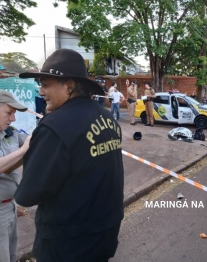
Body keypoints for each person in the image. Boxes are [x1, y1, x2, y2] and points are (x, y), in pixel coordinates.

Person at [15, 49, 124, 262]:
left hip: (67, 242)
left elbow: (27, 194)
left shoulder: (54, 127)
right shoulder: (106, 117)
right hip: (106, 232)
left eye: (46, 85)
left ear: (69, 86)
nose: (41, 91)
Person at [0, 91, 31, 262]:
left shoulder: (9, 133)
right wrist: (23, 150)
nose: (13, 119)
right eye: (9, 113)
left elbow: (31, 139)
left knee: (11, 255)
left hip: (10, 206)